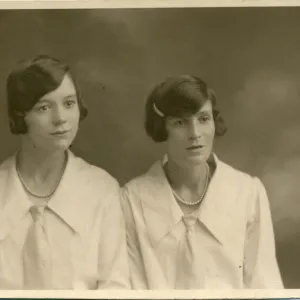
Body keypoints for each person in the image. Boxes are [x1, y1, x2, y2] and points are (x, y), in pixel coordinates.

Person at [121, 75, 283, 289]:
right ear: (162, 128)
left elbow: (265, 287)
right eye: (180, 122)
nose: (195, 134)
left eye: (203, 119)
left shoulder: (247, 193)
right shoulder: (132, 200)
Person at [0, 55, 129, 289]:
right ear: (20, 116)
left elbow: (116, 287)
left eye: (69, 103)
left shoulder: (101, 190)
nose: (60, 119)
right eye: (44, 107)